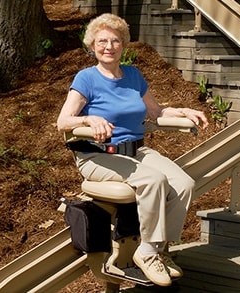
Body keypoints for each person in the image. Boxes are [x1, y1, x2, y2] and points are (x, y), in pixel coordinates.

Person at [57, 13, 209, 287]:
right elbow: (63, 121)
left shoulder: (133, 75)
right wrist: (88, 119)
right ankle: (147, 252)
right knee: (154, 180)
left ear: (123, 45)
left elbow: (156, 112)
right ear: (92, 46)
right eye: (102, 41)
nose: (109, 46)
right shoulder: (86, 79)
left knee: (184, 183)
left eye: (115, 40)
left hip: (136, 151)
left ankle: (159, 249)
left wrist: (182, 110)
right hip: (98, 155)